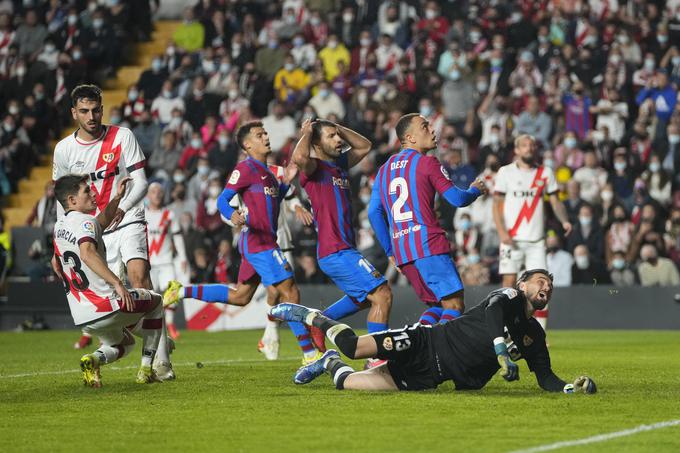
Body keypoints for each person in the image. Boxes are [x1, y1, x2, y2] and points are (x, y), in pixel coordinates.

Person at [270, 269, 597, 395]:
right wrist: (500, 350)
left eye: (550, 285)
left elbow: (545, 377)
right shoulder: (508, 297)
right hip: (422, 343)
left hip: (429, 377)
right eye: (541, 281)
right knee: (353, 348)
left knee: (345, 382)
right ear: (523, 284)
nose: (547, 287)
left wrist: (571, 387)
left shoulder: (534, 335)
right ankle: (310, 315)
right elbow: (495, 311)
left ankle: (327, 362)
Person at [162, 121, 321, 365]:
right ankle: (310, 354)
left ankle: (181, 291)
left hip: (262, 241)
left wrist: (286, 184)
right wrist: (232, 214)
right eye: (260, 135)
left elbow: (274, 203)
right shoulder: (245, 168)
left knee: (240, 296)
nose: (266, 137)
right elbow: (223, 200)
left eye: (266, 133)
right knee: (290, 291)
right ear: (248, 144)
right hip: (259, 243)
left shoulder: (267, 173)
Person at [52, 84, 174, 380]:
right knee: (111, 294)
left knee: (138, 278)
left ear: (102, 109)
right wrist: (56, 246)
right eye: (84, 111)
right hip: (91, 226)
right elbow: (62, 199)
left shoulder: (122, 136)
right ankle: (134, 347)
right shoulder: (64, 149)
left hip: (128, 216)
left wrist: (123, 206)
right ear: (74, 113)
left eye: (96, 110)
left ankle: (161, 363)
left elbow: (141, 181)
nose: (91, 116)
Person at [368, 113, 487, 326]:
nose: (433, 130)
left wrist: (390, 252)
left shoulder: (384, 170)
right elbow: (457, 199)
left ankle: (419, 350)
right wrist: (475, 190)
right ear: (410, 138)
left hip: (403, 252)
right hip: (428, 245)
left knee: (436, 306)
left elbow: (373, 213)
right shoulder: (427, 163)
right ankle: (440, 356)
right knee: (453, 305)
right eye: (425, 127)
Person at [293, 118, 393, 369]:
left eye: (338, 136)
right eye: (331, 137)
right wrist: (307, 134)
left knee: (363, 299)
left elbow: (364, 146)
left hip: (344, 249)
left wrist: (335, 126)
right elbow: (299, 159)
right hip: (335, 250)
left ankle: (318, 322)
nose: (339, 141)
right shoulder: (313, 169)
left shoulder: (338, 166)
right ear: (316, 143)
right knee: (382, 294)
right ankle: (377, 358)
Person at [52, 174, 166, 387]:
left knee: (126, 343)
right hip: (106, 306)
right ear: (72, 200)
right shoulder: (85, 223)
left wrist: (116, 199)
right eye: (86, 191)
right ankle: (146, 369)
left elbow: (99, 224)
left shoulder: (59, 226)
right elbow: (87, 253)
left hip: (83, 317)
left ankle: (92, 359)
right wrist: (117, 283)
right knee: (157, 301)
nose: (93, 193)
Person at [492, 134, 572, 331]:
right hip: (512, 239)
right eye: (524, 145)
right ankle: (506, 329)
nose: (529, 148)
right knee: (509, 283)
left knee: (542, 285)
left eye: (532, 145)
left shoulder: (545, 173)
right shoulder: (505, 172)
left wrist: (565, 220)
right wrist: (502, 232)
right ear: (517, 150)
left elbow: (555, 201)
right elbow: (496, 205)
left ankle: (540, 332)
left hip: (536, 241)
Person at [145, 182, 187, 341]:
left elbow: (177, 236)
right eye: (153, 191)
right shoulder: (141, 214)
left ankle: (170, 324)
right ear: (148, 195)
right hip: (148, 263)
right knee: (151, 297)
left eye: (159, 191)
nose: (157, 194)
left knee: (173, 290)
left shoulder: (169, 214)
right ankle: (152, 327)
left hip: (166, 261)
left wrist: (182, 258)